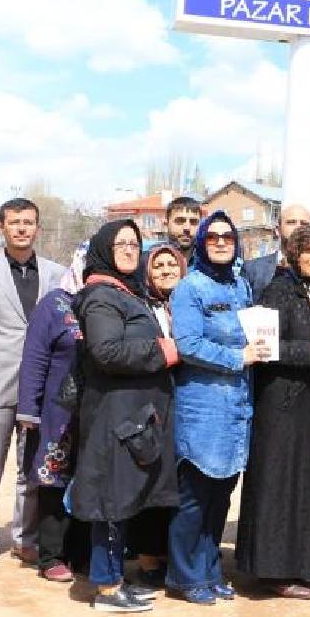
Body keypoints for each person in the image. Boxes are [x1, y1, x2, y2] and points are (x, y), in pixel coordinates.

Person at [72, 220, 180, 614]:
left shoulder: (126, 292)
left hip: (132, 416)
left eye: (135, 243)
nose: (130, 249)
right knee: (111, 501)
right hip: (113, 416)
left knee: (122, 500)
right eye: (121, 244)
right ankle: (106, 588)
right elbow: (107, 351)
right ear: (104, 249)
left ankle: (115, 579)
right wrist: (164, 351)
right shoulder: (102, 296)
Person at [236, 225, 310, 598]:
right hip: (282, 406)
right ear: (293, 254)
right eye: (309, 251)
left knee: (304, 484)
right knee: (279, 483)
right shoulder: (278, 291)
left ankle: (300, 566)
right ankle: (273, 571)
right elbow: (265, 349)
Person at [166, 213, 267, 606]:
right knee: (194, 498)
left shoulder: (241, 286)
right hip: (202, 408)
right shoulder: (190, 288)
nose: (221, 242)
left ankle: (209, 570)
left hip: (236, 409)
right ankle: (183, 575)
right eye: (213, 237)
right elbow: (188, 344)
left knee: (221, 497)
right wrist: (237, 357)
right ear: (203, 242)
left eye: (228, 236)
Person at [0, 198, 66, 572]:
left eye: (28, 222)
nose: (22, 228)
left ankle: (26, 539)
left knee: (32, 468)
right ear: (1, 227)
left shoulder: (56, 274)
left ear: (38, 228)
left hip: (39, 387)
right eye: (15, 222)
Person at [16, 243, 90, 583]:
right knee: (54, 479)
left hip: (97, 410)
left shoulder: (111, 300)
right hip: (57, 412)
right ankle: (52, 555)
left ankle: (82, 553)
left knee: (89, 478)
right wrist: (28, 409)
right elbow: (34, 359)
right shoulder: (55, 304)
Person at [126, 241, 187, 587]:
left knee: (178, 480)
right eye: (158, 265)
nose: (166, 271)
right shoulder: (140, 306)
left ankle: (170, 554)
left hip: (185, 400)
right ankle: (148, 558)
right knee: (152, 477)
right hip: (151, 401)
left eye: (171, 264)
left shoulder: (189, 303)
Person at [244, 203, 310, 301]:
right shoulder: (253, 269)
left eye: (304, 224)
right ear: (277, 230)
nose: (298, 227)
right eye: (291, 222)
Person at [163, 195, 202, 265]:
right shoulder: (148, 262)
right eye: (180, 221)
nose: (187, 228)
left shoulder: (208, 264)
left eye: (193, 222)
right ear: (166, 225)